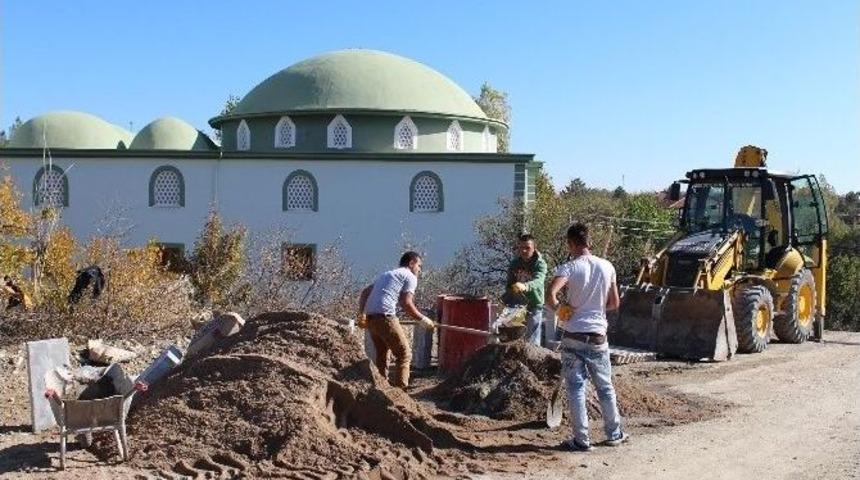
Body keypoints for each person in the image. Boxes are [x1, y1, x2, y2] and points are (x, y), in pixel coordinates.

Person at [546, 223, 628, 451]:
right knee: (605, 386)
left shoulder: (569, 268)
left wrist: (560, 309)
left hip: (573, 334)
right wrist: (595, 307)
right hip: (598, 336)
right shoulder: (607, 266)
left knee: (576, 388)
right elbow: (614, 303)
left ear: (571, 243)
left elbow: (550, 295)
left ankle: (581, 440)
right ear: (589, 242)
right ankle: (614, 433)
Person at [358, 251, 435, 389]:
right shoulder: (409, 276)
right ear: (411, 263)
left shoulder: (387, 274)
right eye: (419, 266)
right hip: (385, 316)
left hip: (371, 319)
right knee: (404, 354)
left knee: (382, 355)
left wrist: (361, 314)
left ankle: (380, 388)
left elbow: (364, 293)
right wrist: (422, 319)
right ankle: (401, 393)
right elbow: (406, 302)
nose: (420, 270)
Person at [505, 234, 548, 345]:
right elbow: (509, 284)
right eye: (521, 248)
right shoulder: (514, 264)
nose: (524, 251)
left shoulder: (540, 264)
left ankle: (532, 359)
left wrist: (526, 286)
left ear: (534, 248)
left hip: (534, 304)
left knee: (532, 337)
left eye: (527, 248)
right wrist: (509, 294)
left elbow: (539, 280)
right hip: (518, 305)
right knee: (513, 333)